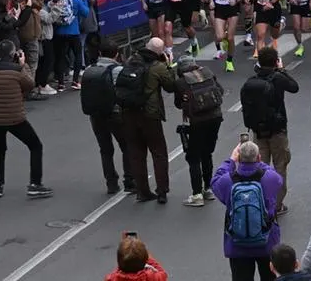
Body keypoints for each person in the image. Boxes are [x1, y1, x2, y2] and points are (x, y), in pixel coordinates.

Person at [0, 40, 51, 199]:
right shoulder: (17, 70)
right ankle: (35, 184)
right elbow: (30, 84)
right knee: (35, 145)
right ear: (14, 54)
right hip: (14, 116)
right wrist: (24, 64)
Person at [211, 141, 284, 281]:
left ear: (239, 158)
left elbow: (214, 182)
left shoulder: (228, 180)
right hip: (267, 241)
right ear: (258, 158)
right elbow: (278, 178)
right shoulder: (270, 178)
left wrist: (231, 161)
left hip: (237, 243)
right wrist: (260, 163)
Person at [240, 46, 298, 216]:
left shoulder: (252, 80)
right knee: (280, 166)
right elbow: (294, 87)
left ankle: (260, 201)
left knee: (260, 166)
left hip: (258, 131)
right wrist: (282, 69)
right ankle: (277, 204)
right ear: (275, 62)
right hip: (278, 130)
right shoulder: (278, 78)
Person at [120, 37, 175, 204]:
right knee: (158, 153)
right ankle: (162, 191)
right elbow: (171, 86)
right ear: (160, 53)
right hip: (150, 115)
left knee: (136, 153)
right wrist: (169, 64)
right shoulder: (157, 67)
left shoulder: (131, 61)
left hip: (129, 112)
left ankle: (142, 191)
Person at [80, 40, 134, 195]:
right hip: (115, 113)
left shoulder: (90, 69)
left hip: (95, 114)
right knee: (126, 146)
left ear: (99, 53)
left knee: (105, 149)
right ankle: (129, 180)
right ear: (116, 54)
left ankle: (111, 183)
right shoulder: (117, 70)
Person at [173, 54, 224, 207]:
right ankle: (208, 189)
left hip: (197, 121)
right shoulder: (208, 73)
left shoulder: (181, 82)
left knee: (193, 157)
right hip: (215, 118)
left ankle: (196, 194)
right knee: (207, 153)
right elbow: (220, 91)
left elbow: (177, 103)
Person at [51, 0, 90, 91]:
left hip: (59, 31)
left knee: (60, 56)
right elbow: (85, 12)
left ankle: (61, 83)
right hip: (73, 31)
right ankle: (75, 81)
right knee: (77, 54)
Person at [104, 235, 169, 281]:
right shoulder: (151, 277)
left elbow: (116, 272)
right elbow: (162, 273)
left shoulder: (112, 278)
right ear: (145, 259)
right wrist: (147, 256)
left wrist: (123, 261)